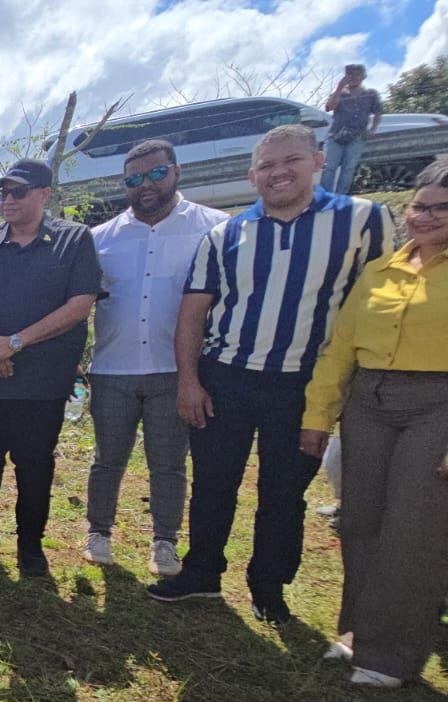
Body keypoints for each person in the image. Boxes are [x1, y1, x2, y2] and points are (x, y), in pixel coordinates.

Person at [150, 125, 395, 623]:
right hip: (228, 377)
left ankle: (269, 586)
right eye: (267, 165)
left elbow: (380, 307)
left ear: (318, 162)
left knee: (284, 491)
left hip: (304, 383)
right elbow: (194, 312)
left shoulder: (363, 221)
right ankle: (202, 573)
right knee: (214, 482)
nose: (279, 172)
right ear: (252, 174)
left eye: (291, 161)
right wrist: (189, 381)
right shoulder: (226, 235)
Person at [299, 161, 448, 686]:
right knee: (361, 519)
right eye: (418, 205)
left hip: (437, 403)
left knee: (415, 528)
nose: (423, 216)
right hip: (369, 399)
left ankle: (392, 655)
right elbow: (340, 348)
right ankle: (358, 630)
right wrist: (318, 415)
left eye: (438, 208)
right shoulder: (382, 270)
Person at [0, 159, 102, 578]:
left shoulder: (73, 241)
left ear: (44, 194)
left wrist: (14, 344)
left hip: (40, 383)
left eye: (18, 192)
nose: (7, 200)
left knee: (34, 464)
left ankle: (30, 545)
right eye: (2, 193)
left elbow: (79, 305)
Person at [85, 140, 229, 576]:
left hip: (176, 370)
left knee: (167, 461)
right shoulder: (100, 238)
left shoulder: (215, 228)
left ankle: (165, 540)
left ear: (176, 171)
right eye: (133, 179)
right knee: (107, 456)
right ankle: (98, 531)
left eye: (154, 174)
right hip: (112, 368)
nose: (144, 185)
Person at [320, 64, 384, 195]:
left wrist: (373, 129)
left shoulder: (370, 94)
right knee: (329, 168)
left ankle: (341, 197)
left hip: (357, 136)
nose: (353, 77)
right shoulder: (340, 93)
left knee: (348, 169)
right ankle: (326, 196)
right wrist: (339, 87)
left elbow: (378, 112)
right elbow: (329, 107)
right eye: (350, 74)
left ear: (363, 76)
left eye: (357, 74)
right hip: (336, 135)